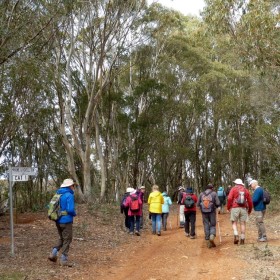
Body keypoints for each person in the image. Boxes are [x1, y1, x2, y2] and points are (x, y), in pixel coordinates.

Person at [48, 178, 77, 266]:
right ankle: (63, 260)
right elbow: (70, 209)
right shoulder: (69, 195)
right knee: (68, 239)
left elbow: (49, 205)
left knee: (62, 238)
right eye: (73, 185)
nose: (73, 187)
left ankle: (53, 253)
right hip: (66, 220)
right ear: (70, 186)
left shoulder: (58, 193)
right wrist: (74, 214)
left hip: (57, 220)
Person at [227, 178, 253, 245]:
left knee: (234, 222)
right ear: (242, 184)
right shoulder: (245, 190)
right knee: (243, 223)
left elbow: (229, 198)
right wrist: (249, 210)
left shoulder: (233, 189)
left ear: (235, 183)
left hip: (235, 207)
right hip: (243, 208)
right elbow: (250, 201)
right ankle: (242, 238)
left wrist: (228, 207)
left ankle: (236, 235)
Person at [197, 184, 220, 248]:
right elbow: (218, 203)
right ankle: (212, 235)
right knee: (212, 224)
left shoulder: (201, 194)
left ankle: (207, 239)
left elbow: (198, 204)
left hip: (204, 212)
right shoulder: (214, 193)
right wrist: (218, 207)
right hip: (212, 211)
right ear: (212, 188)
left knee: (206, 224)